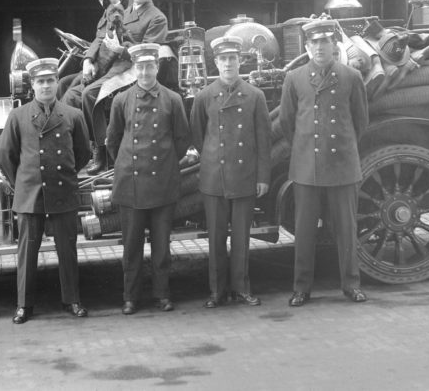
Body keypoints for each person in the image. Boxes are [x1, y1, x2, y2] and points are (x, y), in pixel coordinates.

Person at [278, 17, 369, 307]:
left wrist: (339, 145)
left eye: (325, 42)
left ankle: (351, 285)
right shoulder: (294, 78)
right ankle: (302, 288)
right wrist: (306, 149)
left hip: (342, 166)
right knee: (304, 233)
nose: (320, 47)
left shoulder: (351, 77)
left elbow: (361, 121)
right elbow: (287, 122)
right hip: (307, 168)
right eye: (314, 42)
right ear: (306, 46)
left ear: (334, 45)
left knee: (346, 231)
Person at [0, 57, 92, 324]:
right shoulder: (18, 116)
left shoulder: (73, 115)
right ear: (32, 86)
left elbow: (83, 153)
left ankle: (72, 300)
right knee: (27, 252)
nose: (46, 86)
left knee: (68, 249)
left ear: (56, 84)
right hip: (30, 193)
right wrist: (22, 184)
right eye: (41, 82)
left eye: (50, 80)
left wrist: (64, 174)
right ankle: (24, 305)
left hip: (63, 191)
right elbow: (6, 154)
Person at [105, 42, 190, 315]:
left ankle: (162, 294)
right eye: (139, 67)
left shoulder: (172, 100)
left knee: (162, 246)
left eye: (149, 66)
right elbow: (113, 140)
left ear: (157, 67)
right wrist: (129, 162)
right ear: (134, 69)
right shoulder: (121, 100)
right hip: (131, 184)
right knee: (131, 247)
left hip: (162, 183)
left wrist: (164, 163)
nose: (144, 72)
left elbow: (182, 140)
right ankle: (130, 297)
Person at [190, 35, 272, 308]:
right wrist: (215, 159)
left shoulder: (255, 96)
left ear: (240, 61)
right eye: (223, 59)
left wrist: (262, 177)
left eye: (232, 59)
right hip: (215, 178)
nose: (228, 64)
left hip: (245, 176)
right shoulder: (203, 96)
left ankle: (241, 288)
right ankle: (217, 292)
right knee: (216, 239)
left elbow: (264, 140)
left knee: (241, 238)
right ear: (215, 63)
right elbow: (199, 136)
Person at [81, 0, 168, 175]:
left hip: (133, 69)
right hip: (111, 64)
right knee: (71, 89)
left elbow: (148, 52)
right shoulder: (123, 11)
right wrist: (89, 59)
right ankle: (82, 150)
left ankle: (100, 153)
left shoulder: (157, 18)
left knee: (89, 94)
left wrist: (121, 50)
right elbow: (103, 35)